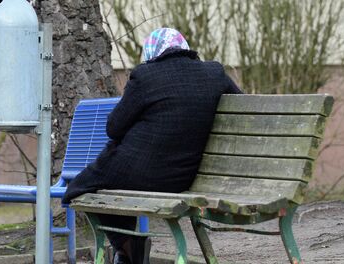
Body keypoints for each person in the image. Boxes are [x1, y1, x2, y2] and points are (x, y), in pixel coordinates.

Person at [62, 28, 243, 264]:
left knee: (79, 187)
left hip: (137, 171)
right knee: (100, 185)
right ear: (185, 49)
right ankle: (129, 253)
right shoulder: (214, 73)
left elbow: (114, 128)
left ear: (152, 53)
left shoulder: (145, 75)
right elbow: (241, 106)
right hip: (182, 177)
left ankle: (128, 250)